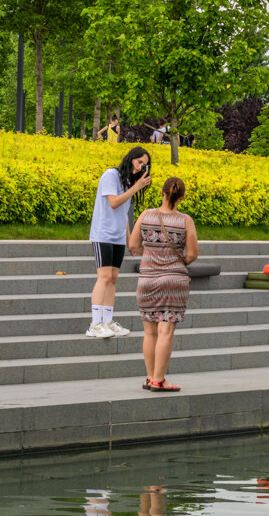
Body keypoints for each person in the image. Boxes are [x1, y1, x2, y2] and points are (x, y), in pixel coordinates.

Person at [128, 176, 198, 392]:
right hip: (173, 282)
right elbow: (193, 254)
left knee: (150, 332)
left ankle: (150, 378)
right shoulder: (185, 221)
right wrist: (176, 262)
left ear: (162, 192)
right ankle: (160, 380)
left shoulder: (146, 215)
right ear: (182, 197)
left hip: (147, 280)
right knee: (166, 332)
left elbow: (132, 245)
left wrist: (149, 254)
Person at [86, 146, 151, 338]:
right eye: (140, 162)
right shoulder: (111, 175)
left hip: (117, 237)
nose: (141, 167)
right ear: (131, 158)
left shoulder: (127, 182)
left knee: (113, 279)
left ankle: (108, 321)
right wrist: (136, 187)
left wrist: (130, 240)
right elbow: (113, 202)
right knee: (104, 277)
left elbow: (124, 214)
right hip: (103, 235)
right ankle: (95, 324)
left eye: (144, 165)